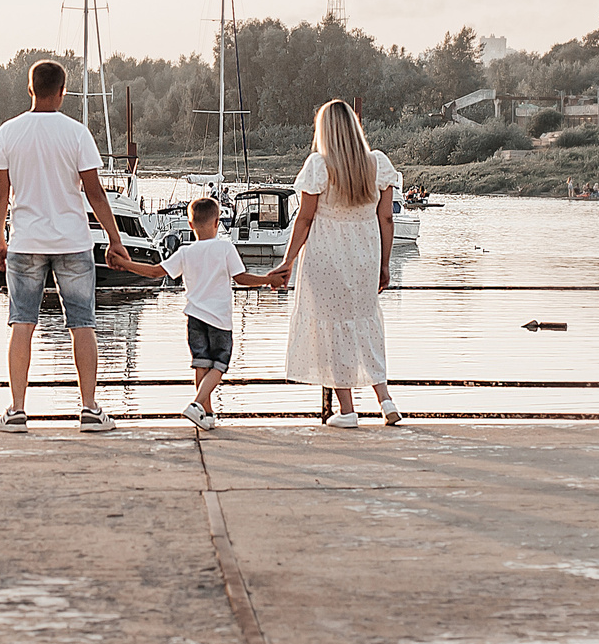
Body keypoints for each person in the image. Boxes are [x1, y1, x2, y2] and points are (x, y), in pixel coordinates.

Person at [0, 58, 130, 432]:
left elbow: (0, 197)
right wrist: (116, 241)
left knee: (22, 323)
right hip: (72, 242)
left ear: (30, 89)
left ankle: (17, 410)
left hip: (25, 242)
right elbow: (96, 194)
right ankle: (89, 409)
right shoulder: (77, 133)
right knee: (83, 325)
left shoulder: (8, 132)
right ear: (63, 92)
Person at [267, 99, 404, 427]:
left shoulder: (319, 165)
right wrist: (385, 264)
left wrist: (287, 262)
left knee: (332, 329)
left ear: (325, 130)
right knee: (364, 324)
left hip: (326, 255)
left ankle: (347, 410)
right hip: (365, 255)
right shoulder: (377, 164)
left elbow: (305, 218)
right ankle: (385, 400)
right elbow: (386, 218)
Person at [110, 195, 281, 429]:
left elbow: (154, 272)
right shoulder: (225, 247)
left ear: (190, 225)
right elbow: (241, 278)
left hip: (194, 318)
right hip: (219, 319)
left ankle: (207, 415)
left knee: (201, 364)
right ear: (217, 222)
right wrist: (267, 279)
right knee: (219, 365)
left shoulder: (185, 252)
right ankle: (198, 403)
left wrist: (125, 264)